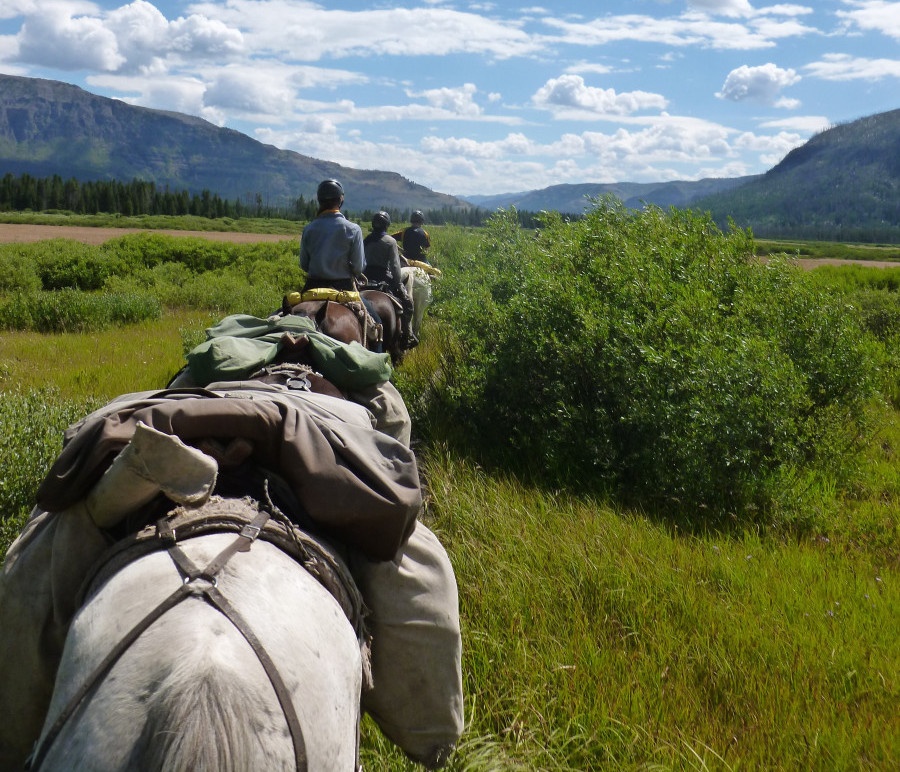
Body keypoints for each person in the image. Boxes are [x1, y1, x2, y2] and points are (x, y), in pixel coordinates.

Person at [364, 211, 418, 349]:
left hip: (365, 277)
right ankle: (407, 336)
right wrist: (398, 283)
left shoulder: (366, 240)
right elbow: (395, 265)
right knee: (408, 303)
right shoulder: (390, 241)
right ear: (387, 225)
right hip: (383, 276)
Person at [300, 179, 365, 292]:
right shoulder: (354, 229)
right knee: (369, 309)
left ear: (319, 200)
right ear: (340, 200)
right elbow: (358, 268)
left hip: (312, 286)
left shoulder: (308, 229)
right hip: (343, 287)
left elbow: (304, 265)